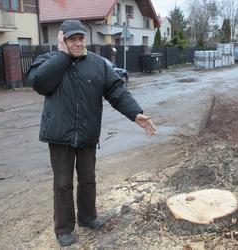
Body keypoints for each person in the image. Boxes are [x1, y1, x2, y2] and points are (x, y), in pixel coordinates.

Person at [27, 19, 156, 247]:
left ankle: (88, 218)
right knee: (63, 183)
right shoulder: (49, 61)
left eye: (80, 38)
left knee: (88, 179)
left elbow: (116, 91)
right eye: (71, 39)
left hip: (87, 134)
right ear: (62, 40)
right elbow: (39, 83)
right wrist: (63, 56)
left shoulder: (98, 64)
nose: (77, 43)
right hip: (59, 136)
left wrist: (136, 114)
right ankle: (64, 229)